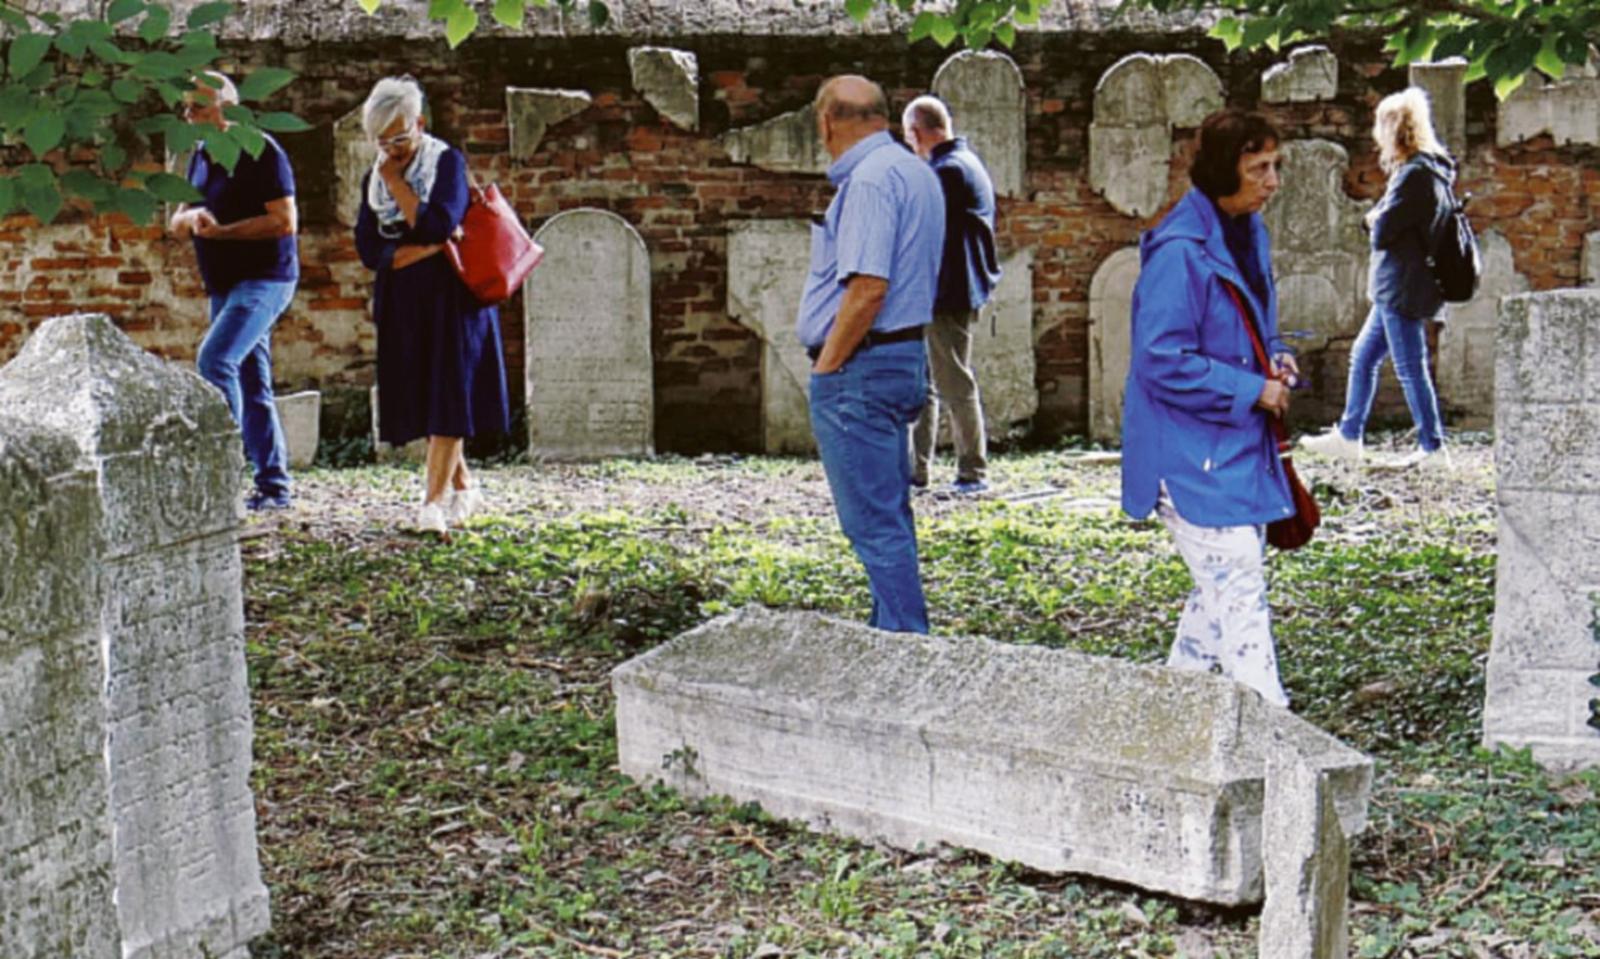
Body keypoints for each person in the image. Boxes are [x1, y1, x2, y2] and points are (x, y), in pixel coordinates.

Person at [1121, 110, 1303, 708]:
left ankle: (1172, 711)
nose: (1273, 181)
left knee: (1221, 587)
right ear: (1226, 170)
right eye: (1259, 168)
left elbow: (1256, 322)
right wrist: (1252, 389)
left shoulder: (1248, 230)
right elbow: (1160, 358)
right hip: (1184, 451)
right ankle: (1272, 727)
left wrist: (1275, 356)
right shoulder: (1180, 251)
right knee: (1237, 583)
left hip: (1231, 445)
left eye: (1275, 166)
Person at [799, 75, 945, 634]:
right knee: (888, 514)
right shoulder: (915, 170)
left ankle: (906, 643)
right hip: (901, 355)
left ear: (826, 122)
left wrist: (826, 367)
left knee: (872, 525)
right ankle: (891, 632)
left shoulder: (869, 181)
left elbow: (868, 288)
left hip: (860, 366)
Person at [354, 76, 510, 534]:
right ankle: (465, 487)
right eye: (382, 142)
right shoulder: (373, 181)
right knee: (425, 395)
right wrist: (425, 246)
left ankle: (432, 506)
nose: (392, 151)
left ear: (419, 124)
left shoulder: (446, 163)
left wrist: (399, 188)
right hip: (403, 300)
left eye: (400, 138)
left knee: (449, 393)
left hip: (452, 298)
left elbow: (439, 222)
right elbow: (369, 249)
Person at [1300, 88, 1455, 469]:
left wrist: (1372, 219)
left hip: (1401, 285)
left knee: (1409, 366)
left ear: (1395, 129)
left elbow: (1383, 231)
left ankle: (1433, 447)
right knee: (1364, 356)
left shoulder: (1415, 174)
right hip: (1400, 284)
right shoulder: (1433, 169)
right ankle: (1349, 436)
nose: (1377, 134)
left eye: (1382, 126)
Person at [169, 71, 298, 511]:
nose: (189, 116)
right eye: (186, 108)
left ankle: (221, 475)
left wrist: (225, 232)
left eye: (198, 107)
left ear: (228, 108)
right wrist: (193, 219)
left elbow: (284, 221)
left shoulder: (262, 150)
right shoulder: (201, 155)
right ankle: (274, 487)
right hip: (223, 282)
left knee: (215, 359)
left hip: (266, 278)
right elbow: (176, 222)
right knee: (251, 381)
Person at [902, 95, 1002, 496]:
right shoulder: (964, 163)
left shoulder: (947, 171)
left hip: (948, 291)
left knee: (953, 381)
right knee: (925, 382)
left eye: (908, 136)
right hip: (948, 289)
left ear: (916, 132)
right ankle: (916, 471)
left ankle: (972, 472)